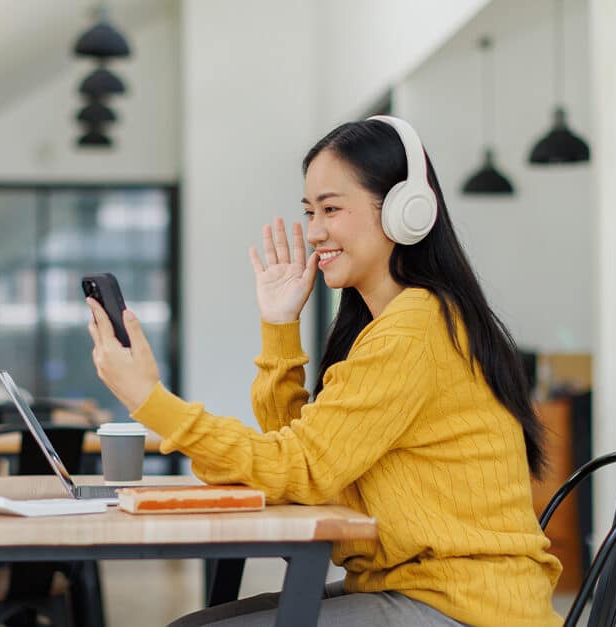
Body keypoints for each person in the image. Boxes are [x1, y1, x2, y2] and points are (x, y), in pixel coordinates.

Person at [84, 116, 562, 626]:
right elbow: (304, 456)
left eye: (332, 209)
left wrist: (151, 400)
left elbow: (302, 469)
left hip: (467, 608)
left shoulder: (413, 332)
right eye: (310, 211)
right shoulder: (397, 324)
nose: (314, 232)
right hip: (421, 591)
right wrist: (279, 325)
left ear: (407, 211)